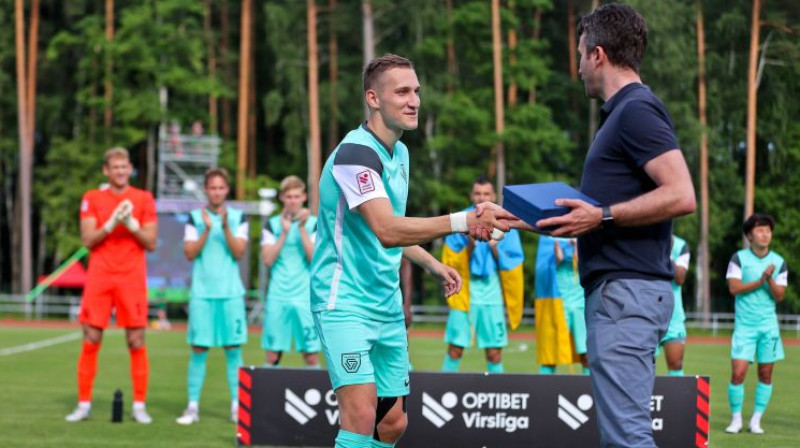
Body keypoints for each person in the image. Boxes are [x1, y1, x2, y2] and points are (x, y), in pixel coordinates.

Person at [477, 4, 695, 446]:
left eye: (579, 55)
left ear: (598, 54)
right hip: (623, 295)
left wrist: (604, 214)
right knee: (623, 435)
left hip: (625, 295)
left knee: (628, 438)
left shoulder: (636, 110)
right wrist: (520, 220)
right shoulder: (621, 115)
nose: (577, 68)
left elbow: (681, 194)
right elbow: (587, 220)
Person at [310, 54, 506, 448]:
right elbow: (386, 229)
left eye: (416, 90)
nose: (414, 100)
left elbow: (395, 229)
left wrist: (433, 264)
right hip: (343, 303)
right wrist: (464, 220)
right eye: (402, 91)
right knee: (361, 415)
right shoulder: (355, 155)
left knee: (393, 423)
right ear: (373, 98)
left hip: (386, 306)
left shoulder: (399, 154)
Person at [66, 147, 158, 423]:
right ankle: (84, 403)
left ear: (130, 168)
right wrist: (110, 224)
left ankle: (139, 405)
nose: (120, 171)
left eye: (124, 166)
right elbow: (87, 239)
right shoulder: (92, 197)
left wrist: (130, 224)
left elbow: (151, 242)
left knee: (136, 340)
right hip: (100, 276)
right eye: (114, 167)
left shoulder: (143, 198)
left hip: (131, 276)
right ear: (106, 170)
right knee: (91, 338)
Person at [176, 168, 249, 425]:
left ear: (226, 190)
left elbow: (239, 252)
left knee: (233, 350)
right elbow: (189, 253)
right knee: (198, 349)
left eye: (221, 187)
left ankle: (236, 407)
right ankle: (192, 407)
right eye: (212, 187)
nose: (217, 192)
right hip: (202, 294)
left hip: (230, 294)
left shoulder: (239, 218)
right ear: (206, 190)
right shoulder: (194, 217)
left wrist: (225, 225)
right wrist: (206, 230)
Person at [441, 177, 525, 374]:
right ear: (472, 195)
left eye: (486, 193)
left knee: (494, 352)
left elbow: (513, 264)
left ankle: (498, 398)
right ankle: (441, 394)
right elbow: (450, 261)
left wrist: (495, 248)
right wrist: (470, 242)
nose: (481, 197)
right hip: (464, 292)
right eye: (477, 193)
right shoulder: (460, 219)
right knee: (455, 349)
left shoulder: (505, 221)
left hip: (491, 294)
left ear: (493, 196)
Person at [724, 213, 787, 435]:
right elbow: (734, 288)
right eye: (760, 230)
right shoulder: (738, 258)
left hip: (768, 328)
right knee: (738, 373)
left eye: (768, 231)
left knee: (766, 374)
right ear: (750, 235)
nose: (765, 234)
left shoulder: (778, 262)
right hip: (745, 327)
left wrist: (769, 278)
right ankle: (736, 420)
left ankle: (756, 421)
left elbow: (779, 296)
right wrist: (759, 281)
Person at [261, 175, 320, 368]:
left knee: (311, 355)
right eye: (289, 197)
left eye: (296, 196)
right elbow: (268, 260)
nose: (293, 200)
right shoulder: (272, 224)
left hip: (305, 297)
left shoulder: (313, 223)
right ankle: (268, 398)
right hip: (278, 296)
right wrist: (285, 233)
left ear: (303, 197)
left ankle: (316, 398)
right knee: (272, 356)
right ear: (282, 198)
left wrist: (301, 229)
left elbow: (314, 259)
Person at [535, 236, 588, 375]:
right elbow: (542, 272)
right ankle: (541, 393)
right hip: (556, 303)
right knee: (550, 355)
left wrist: (581, 253)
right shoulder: (548, 238)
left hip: (582, 302)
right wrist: (556, 260)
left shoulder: (587, 234)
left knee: (588, 354)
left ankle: (591, 393)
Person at [656, 235, 690, 376]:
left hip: (673, 317)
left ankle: (677, 399)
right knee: (643, 367)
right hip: (645, 315)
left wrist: (666, 253)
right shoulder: (642, 241)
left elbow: (680, 278)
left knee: (676, 364)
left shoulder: (680, 245)